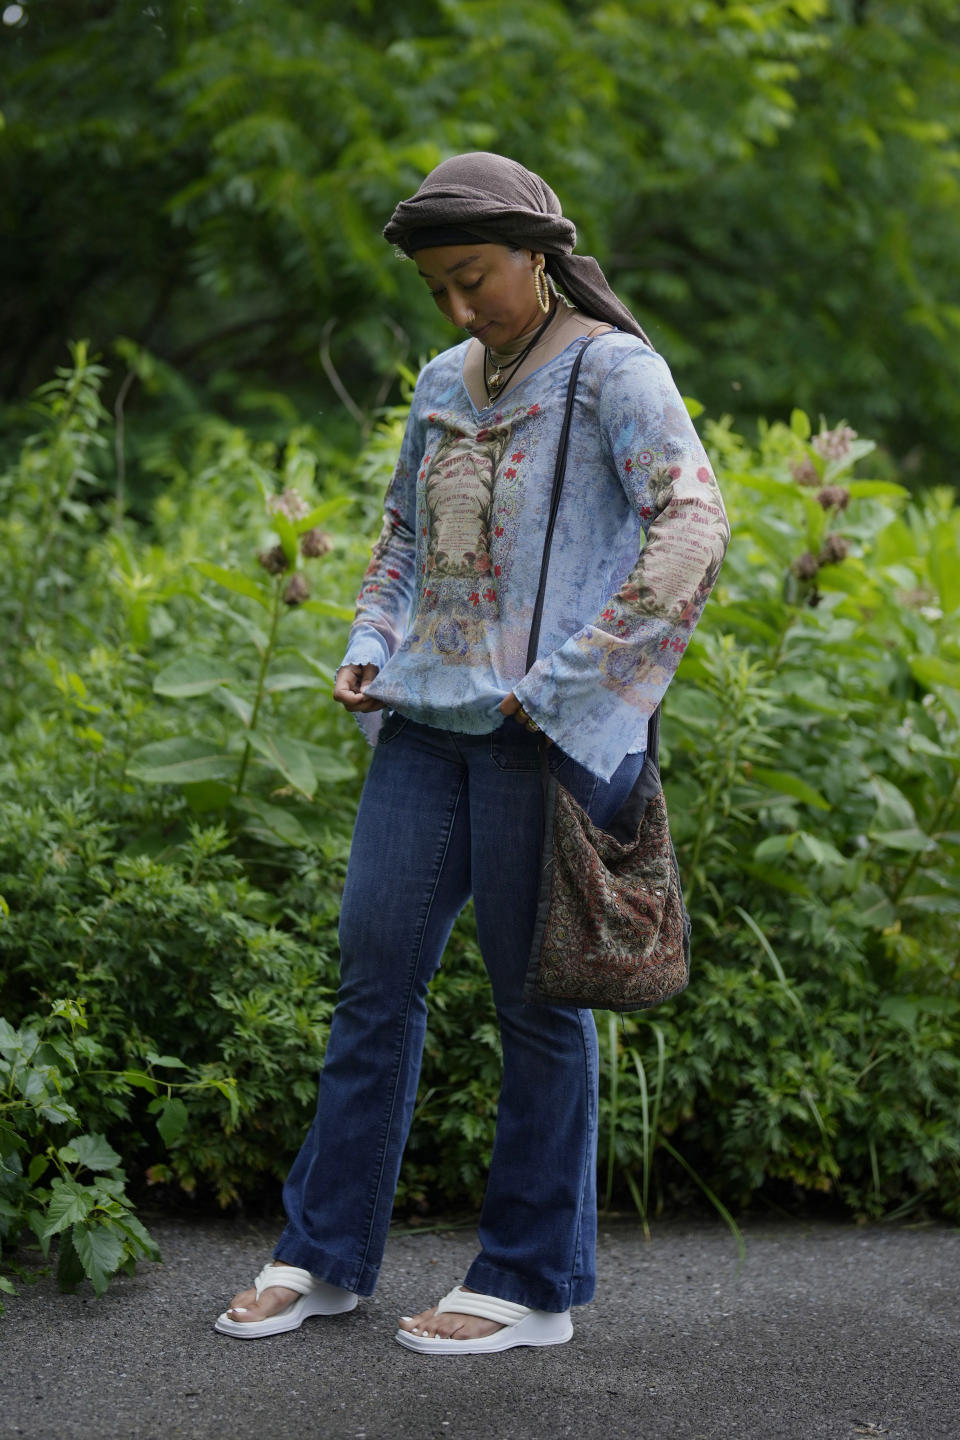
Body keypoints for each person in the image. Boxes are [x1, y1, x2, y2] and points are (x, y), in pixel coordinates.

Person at [215, 152, 729, 1354]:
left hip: (539, 738)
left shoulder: (615, 371)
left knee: (539, 1006)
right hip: (424, 730)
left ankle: (530, 1283)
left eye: (474, 279)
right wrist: (368, 639)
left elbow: (695, 522)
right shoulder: (446, 379)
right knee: (371, 985)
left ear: (538, 254)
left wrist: (567, 689)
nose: (456, 308)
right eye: (437, 288)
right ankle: (322, 1257)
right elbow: (403, 533)